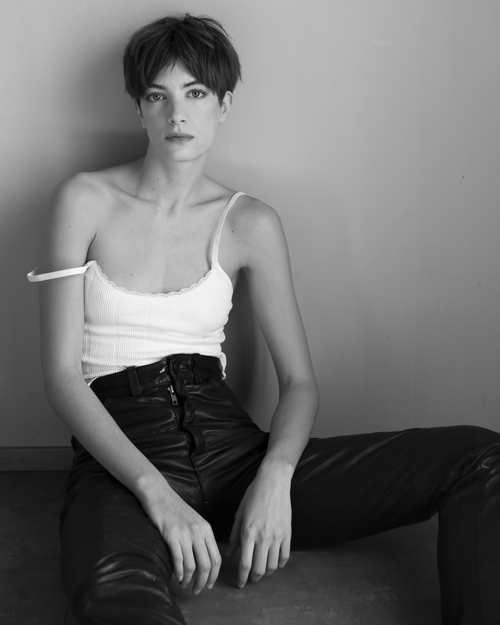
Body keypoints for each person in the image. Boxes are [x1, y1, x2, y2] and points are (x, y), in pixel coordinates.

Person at [28, 13, 500, 625]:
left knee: (481, 457)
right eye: (158, 96)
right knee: (114, 600)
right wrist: (157, 496)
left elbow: (299, 381)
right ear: (138, 107)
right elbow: (62, 376)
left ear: (224, 104)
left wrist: (275, 478)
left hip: (235, 453)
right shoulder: (83, 201)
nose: (177, 114)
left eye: (197, 93)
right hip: (122, 462)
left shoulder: (250, 223)